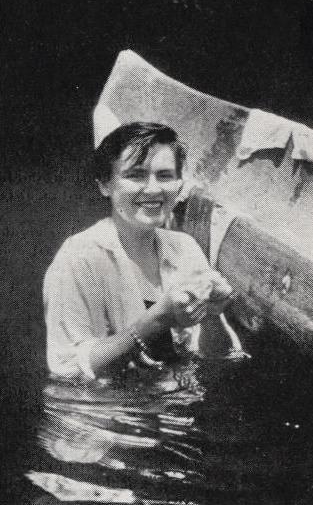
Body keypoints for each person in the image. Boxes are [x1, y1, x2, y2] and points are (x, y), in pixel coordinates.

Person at [44, 122, 234, 381]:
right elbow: (68, 370)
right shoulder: (78, 258)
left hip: (175, 406)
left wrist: (213, 314)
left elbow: (216, 356)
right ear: (105, 185)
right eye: (136, 175)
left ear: (179, 185)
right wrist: (157, 319)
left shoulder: (184, 248)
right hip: (100, 413)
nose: (153, 189)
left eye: (165, 175)